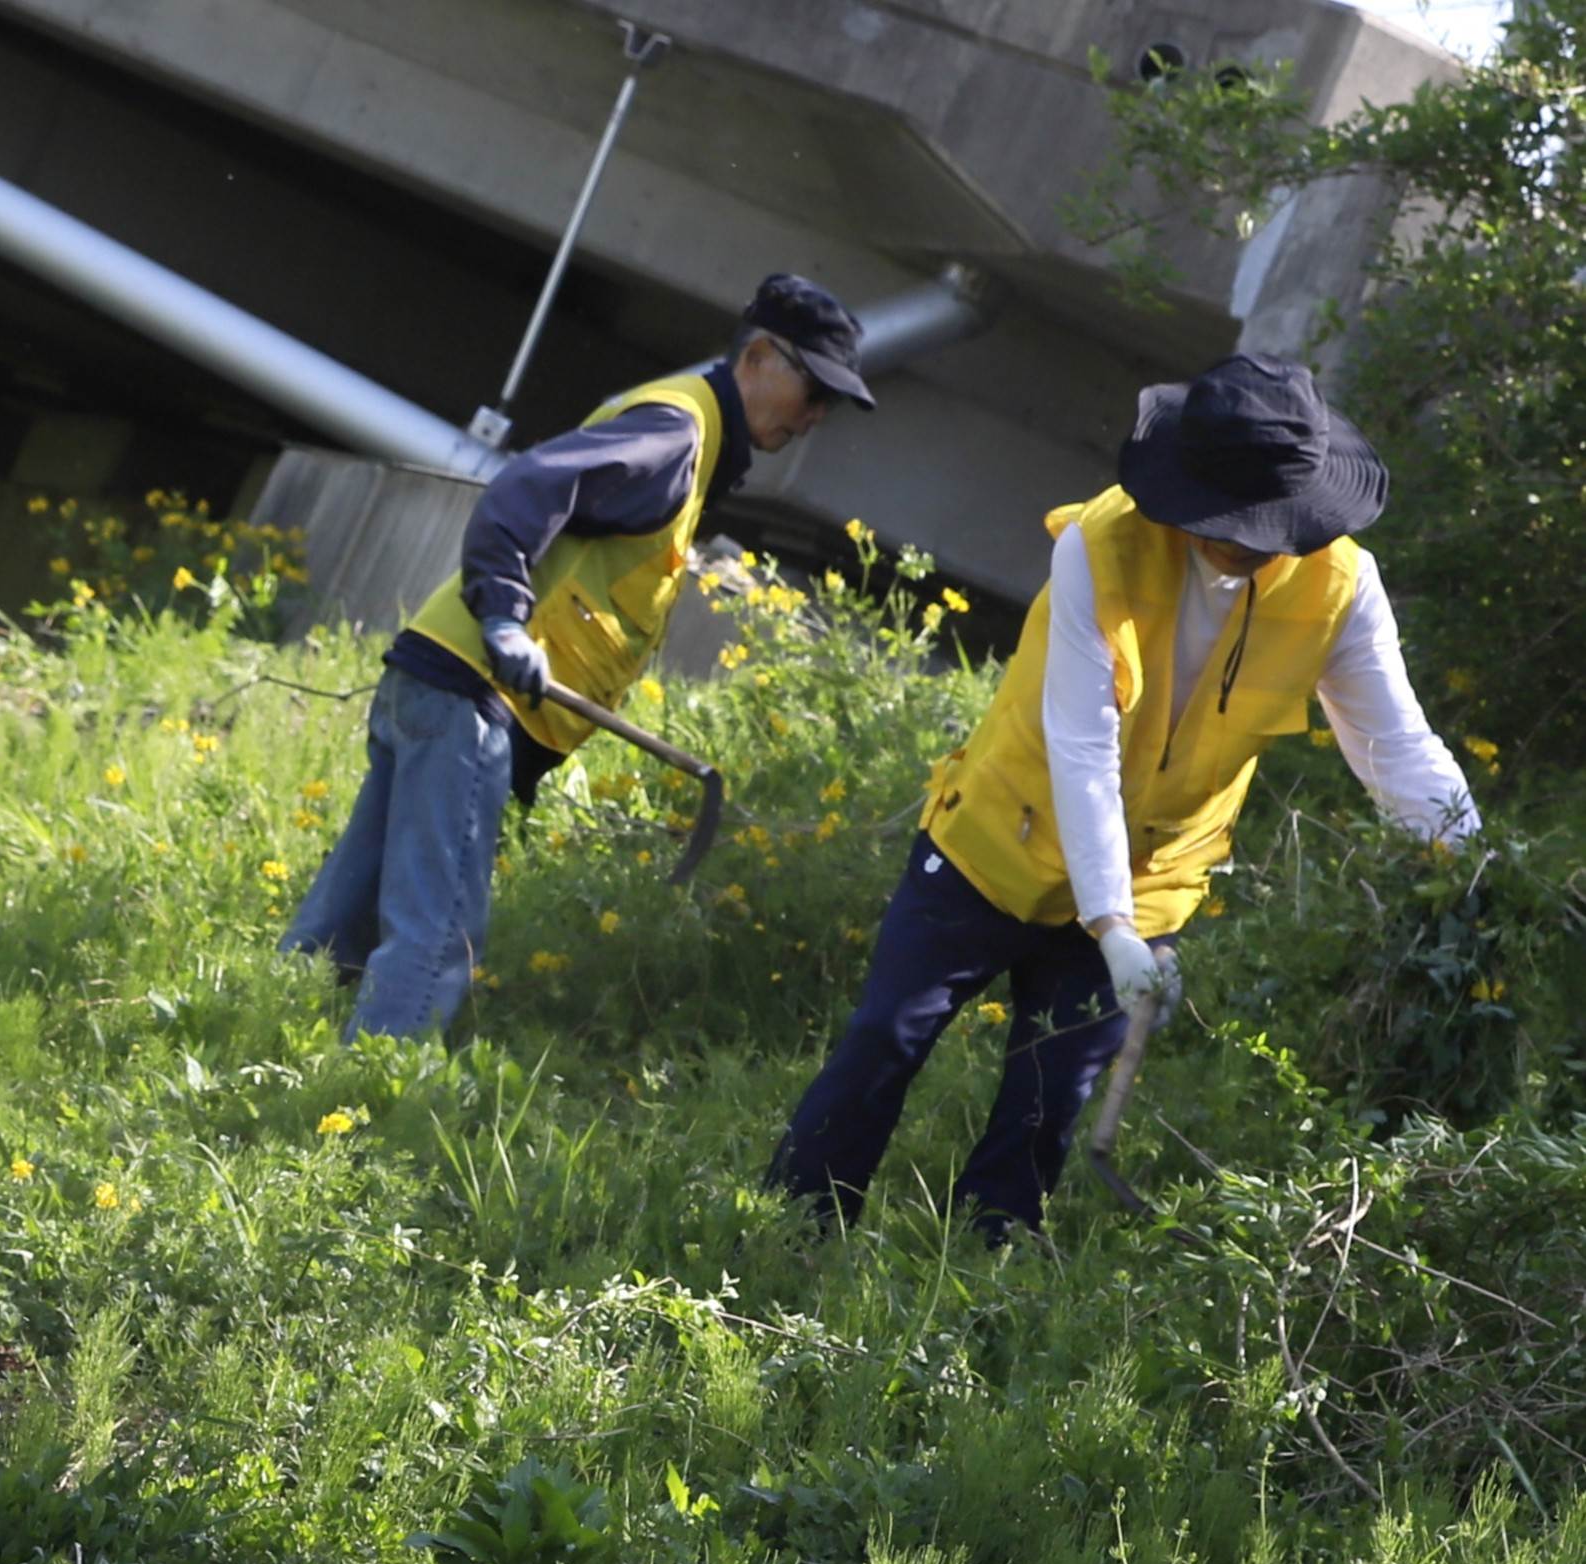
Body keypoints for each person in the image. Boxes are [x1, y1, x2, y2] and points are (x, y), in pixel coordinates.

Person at [771, 352, 1480, 1235]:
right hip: (995, 844)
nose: (1247, 544)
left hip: (1153, 877)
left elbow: (1395, 746)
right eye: (1229, 522)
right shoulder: (1098, 548)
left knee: (1051, 1093)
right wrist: (1110, 926)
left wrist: (1470, 873)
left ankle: (986, 1261)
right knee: (888, 1036)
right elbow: (1082, 747)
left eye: (1269, 526)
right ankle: (793, 1228)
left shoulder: (1342, 588)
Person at [283, 273, 872, 1036]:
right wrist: (504, 620)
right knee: (437, 939)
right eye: (814, 390)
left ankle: (260, 1032)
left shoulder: (694, 443)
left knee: (345, 915)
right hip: (472, 695)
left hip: (439, 679)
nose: (816, 415)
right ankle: (371, 1093)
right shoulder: (677, 433)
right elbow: (525, 488)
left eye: (830, 403)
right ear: (758, 356)